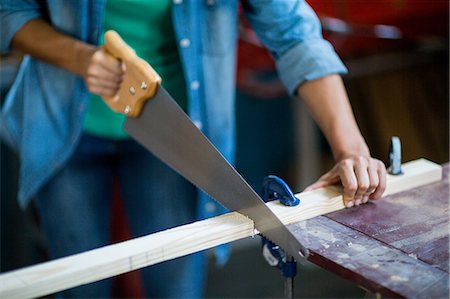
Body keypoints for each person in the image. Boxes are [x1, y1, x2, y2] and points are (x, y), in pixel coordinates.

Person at [1, 0, 386, 298]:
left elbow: (294, 33)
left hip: (174, 137)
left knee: (175, 287)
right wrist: (80, 58)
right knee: (80, 286)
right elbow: (10, 10)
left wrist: (350, 149)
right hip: (63, 125)